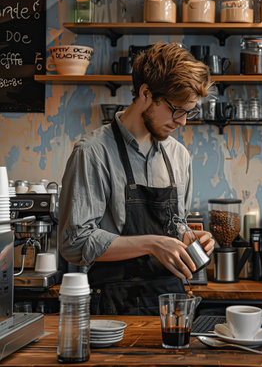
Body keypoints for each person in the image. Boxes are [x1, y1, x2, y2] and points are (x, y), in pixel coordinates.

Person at [58, 42, 215, 315]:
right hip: (113, 310)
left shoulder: (179, 157)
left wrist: (188, 237)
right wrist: (152, 244)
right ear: (145, 93)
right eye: (177, 109)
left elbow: (174, 224)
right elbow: (74, 243)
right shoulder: (93, 153)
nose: (183, 122)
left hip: (171, 308)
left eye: (189, 112)